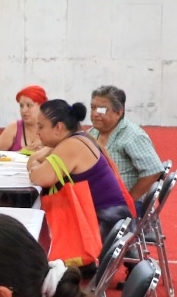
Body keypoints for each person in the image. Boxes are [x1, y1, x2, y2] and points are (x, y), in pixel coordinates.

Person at [27, 98, 134, 237]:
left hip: (104, 226)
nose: (37, 132)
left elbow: (39, 177)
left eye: (41, 127)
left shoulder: (72, 145)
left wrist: (36, 166)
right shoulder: (81, 138)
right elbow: (33, 160)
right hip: (112, 221)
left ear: (58, 127)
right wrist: (39, 162)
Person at [88, 84, 165, 208]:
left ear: (119, 112)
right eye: (93, 108)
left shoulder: (133, 136)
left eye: (102, 109)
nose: (95, 114)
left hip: (122, 207)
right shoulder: (91, 133)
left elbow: (153, 171)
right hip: (100, 201)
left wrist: (127, 201)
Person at [0, 84, 46, 152]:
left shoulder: (51, 129)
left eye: (29, 105)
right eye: (21, 106)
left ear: (41, 106)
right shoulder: (13, 128)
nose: (24, 110)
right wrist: (21, 152)